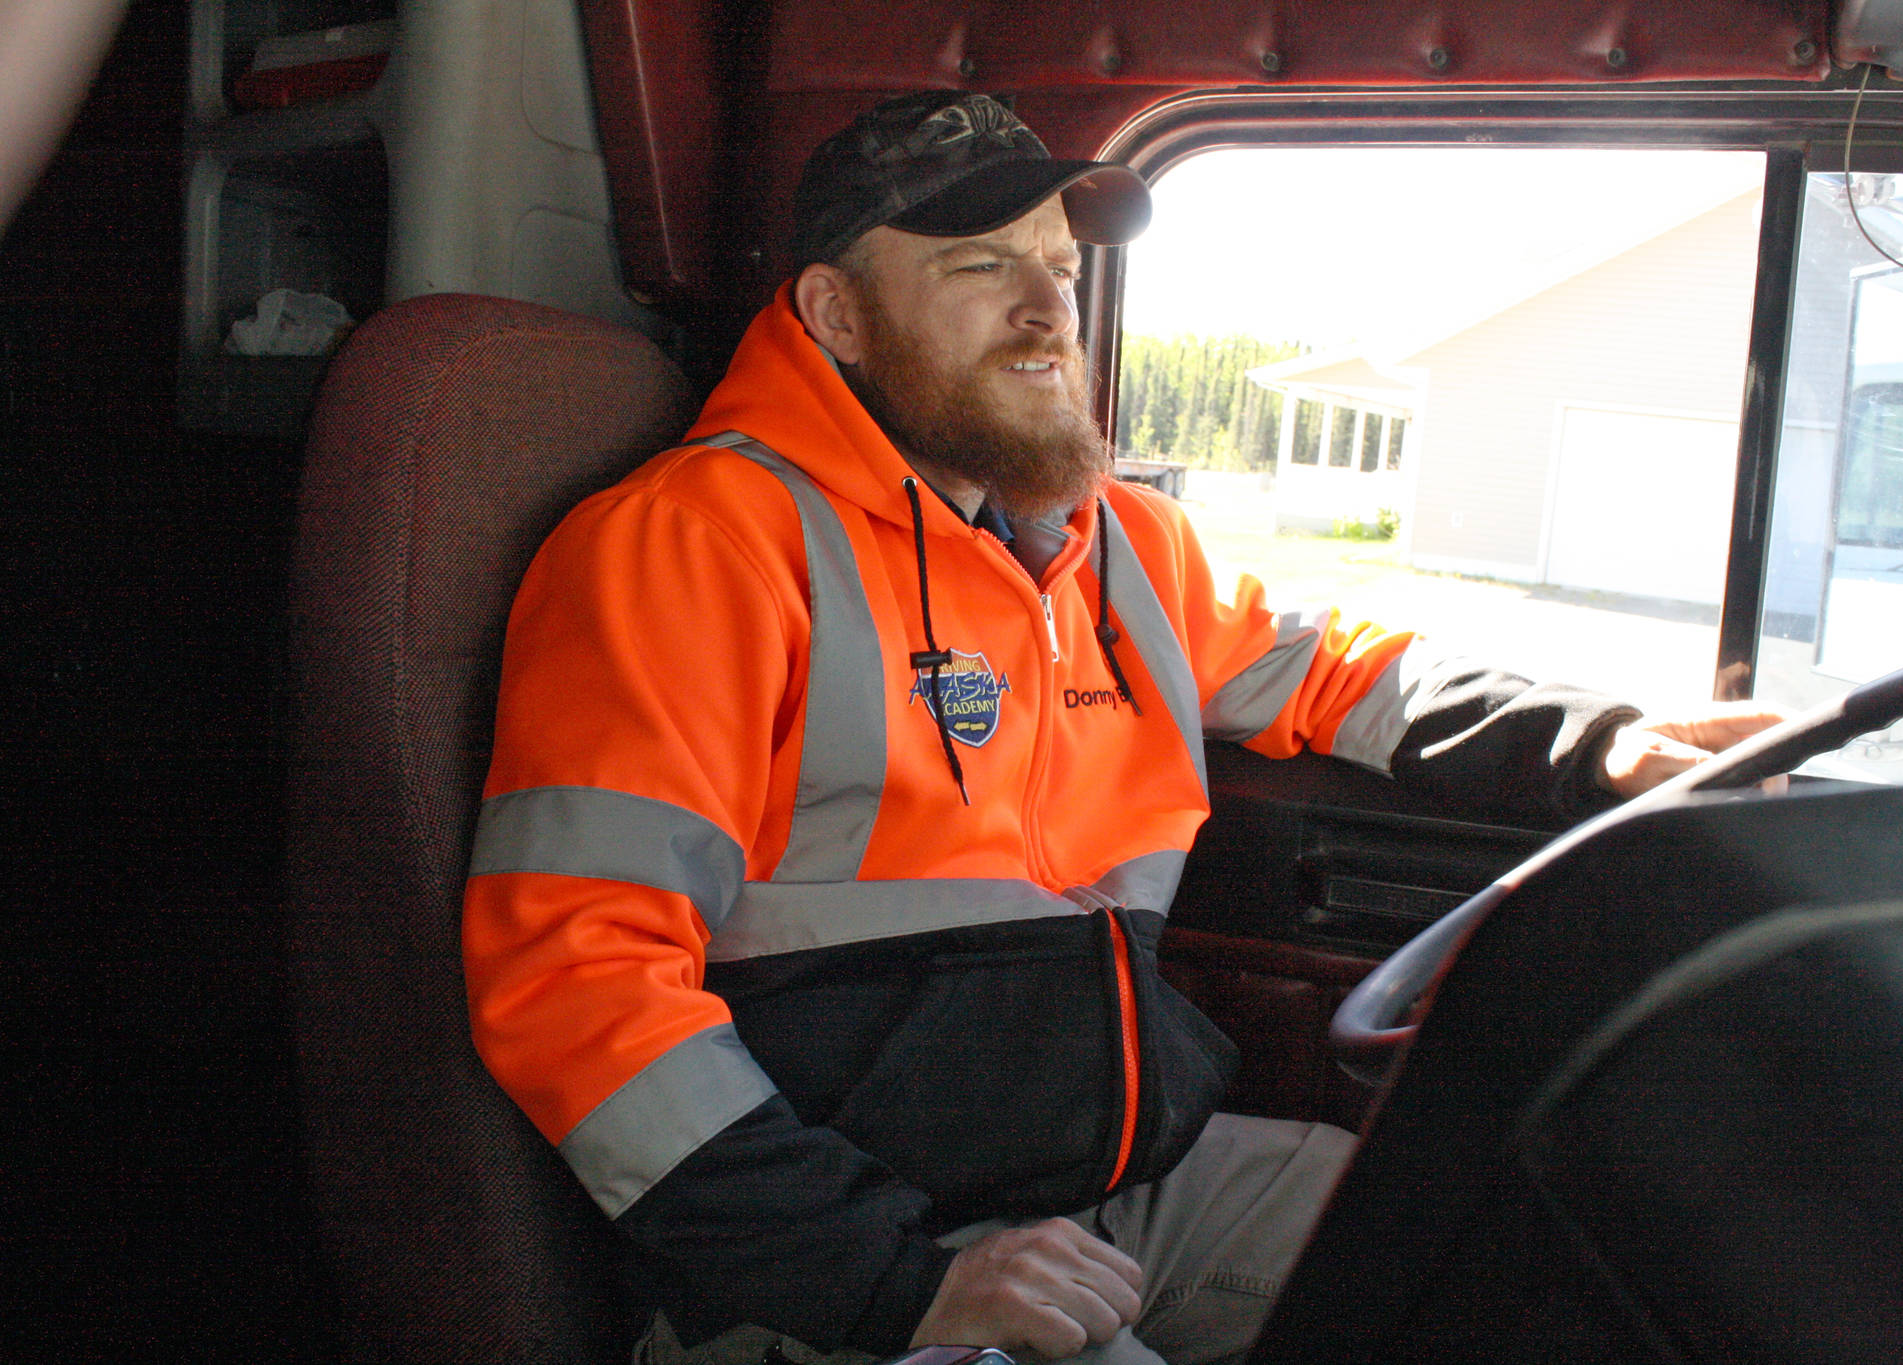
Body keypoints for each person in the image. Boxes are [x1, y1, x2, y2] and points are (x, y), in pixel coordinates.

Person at [462, 90, 1781, 1365]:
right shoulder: (695, 545)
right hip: (831, 1257)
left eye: (1059, 264)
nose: (1050, 309)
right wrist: (898, 1275)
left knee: (1531, 1243)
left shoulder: (1121, 548)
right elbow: (574, 976)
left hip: (1121, 1185)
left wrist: (1598, 743)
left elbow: (1334, 675)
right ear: (836, 314)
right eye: (984, 266)